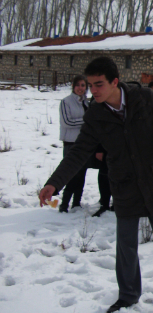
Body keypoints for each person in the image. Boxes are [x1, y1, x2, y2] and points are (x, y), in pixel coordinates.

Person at [39, 57, 153, 313]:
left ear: (114, 81)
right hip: (124, 186)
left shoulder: (144, 98)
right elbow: (78, 152)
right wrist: (54, 183)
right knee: (126, 246)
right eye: (90, 86)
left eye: (98, 85)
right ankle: (128, 294)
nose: (93, 91)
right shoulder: (95, 115)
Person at [58, 75, 90, 213]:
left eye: (83, 85)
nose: (80, 88)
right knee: (70, 173)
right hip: (70, 142)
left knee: (81, 174)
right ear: (73, 86)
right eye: (78, 85)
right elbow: (67, 122)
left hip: (83, 143)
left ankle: (77, 202)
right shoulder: (66, 102)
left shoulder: (86, 103)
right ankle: (64, 203)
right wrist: (85, 120)